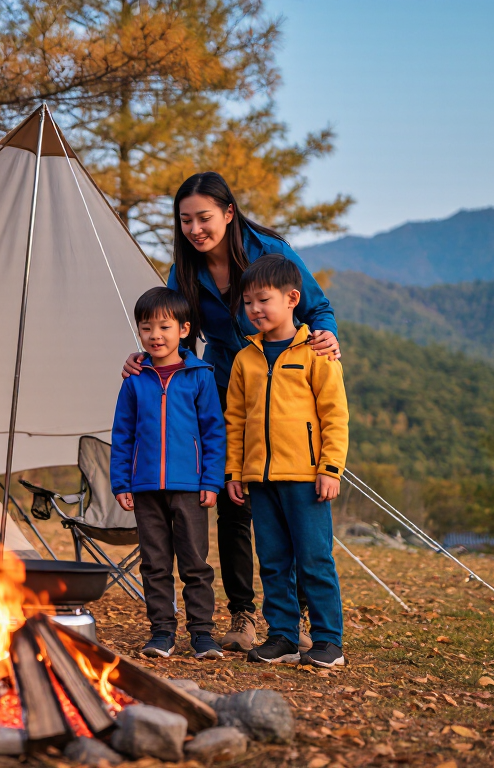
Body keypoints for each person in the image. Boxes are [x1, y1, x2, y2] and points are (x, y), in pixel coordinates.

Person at [123, 172, 340, 653]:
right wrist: (145, 356)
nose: (195, 228)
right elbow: (170, 325)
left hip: (283, 382)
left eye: (204, 217)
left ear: (228, 212)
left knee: (291, 507)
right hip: (225, 382)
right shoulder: (185, 270)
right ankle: (245, 615)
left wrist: (327, 336)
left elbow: (317, 307)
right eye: (185, 220)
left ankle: (298, 618)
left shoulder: (269, 252)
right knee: (233, 501)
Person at [224, 254, 349, 668]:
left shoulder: (317, 352)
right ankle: (282, 637)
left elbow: (335, 414)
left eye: (263, 300)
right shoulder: (245, 359)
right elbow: (236, 420)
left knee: (314, 559)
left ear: (293, 298)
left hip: (307, 478)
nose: (255, 310)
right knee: (274, 561)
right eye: (248, 303)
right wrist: (235, 471)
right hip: (260, 479)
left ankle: (329, 641)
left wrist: (330, 469)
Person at [110, 287, 228, 660]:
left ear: (184, 329)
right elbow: (122, 433)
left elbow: (213, 432)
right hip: (145, 487)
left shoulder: (199, 376)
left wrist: (211, 481)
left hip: (190, 487)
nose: (155, 335)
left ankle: (202, 635)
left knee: (195, 563)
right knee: (155, 563)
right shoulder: (135, 379)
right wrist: (121, 481)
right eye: (147, 328)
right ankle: (161, 632)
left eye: (164, 326)